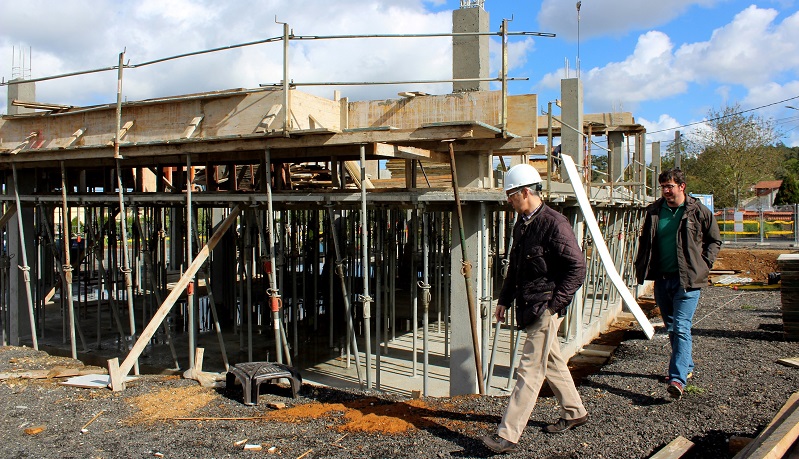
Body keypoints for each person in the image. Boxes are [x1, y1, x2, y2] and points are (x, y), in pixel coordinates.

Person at [481, 163, 589, 454]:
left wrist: (554, 306)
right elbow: (516, 267)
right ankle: (575, 411)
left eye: (511, 194)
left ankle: (508, 434)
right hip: (530, 304)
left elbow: (578, 268)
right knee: (550, 360)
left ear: (526, 191)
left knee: (529, 369)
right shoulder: (523, 223)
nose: (508, 200)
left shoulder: (554, 224)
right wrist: (504, 299)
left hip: (544, 307)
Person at [634, 168, 721, 400]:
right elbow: (646, 242)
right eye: (663, 186)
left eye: (670, 186)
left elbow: (715, 239)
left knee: (682, 326)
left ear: (682, 186)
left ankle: (677, 379)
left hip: (688, 280)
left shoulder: (698, 211)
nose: (666, 191)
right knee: (672, 326)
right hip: (662, 280)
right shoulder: (654, 211)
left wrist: (704, 264)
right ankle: (687, 365)